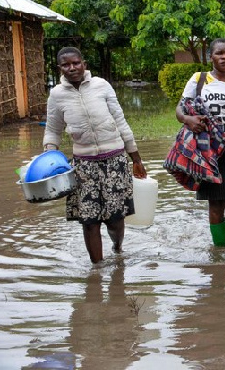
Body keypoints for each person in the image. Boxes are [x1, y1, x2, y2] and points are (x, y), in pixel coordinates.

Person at [43, 47, 147, 264]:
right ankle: (97, 271)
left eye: (76, 63)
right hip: (83, 166)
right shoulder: (57, 95)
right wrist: (48, 159)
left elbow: (120, 121)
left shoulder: (102, 86)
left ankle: (117, 247)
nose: (72, 68)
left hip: (115, 160)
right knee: (89, 220)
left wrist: (135, 158)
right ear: (59, 68)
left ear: (84, 63)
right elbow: (53, 130)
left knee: (116, 219)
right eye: (66, 65)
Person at [177, 38, 225, 247]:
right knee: (216, 205)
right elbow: (180, 108)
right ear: (211, 57)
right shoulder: (199, 80)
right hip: (207, 150)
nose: (224, 57)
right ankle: (219, 252)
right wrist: (187, 119)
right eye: (219, 53)